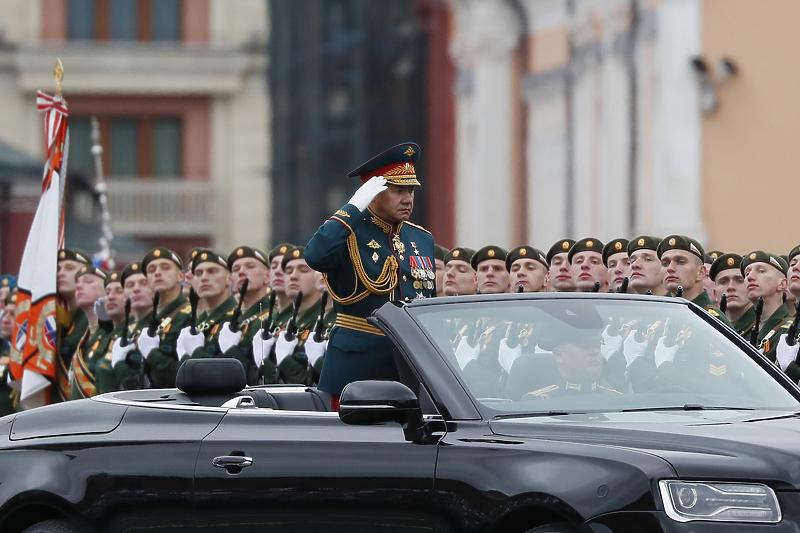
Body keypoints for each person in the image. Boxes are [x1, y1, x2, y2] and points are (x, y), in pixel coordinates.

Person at [305, 142, 435, 404]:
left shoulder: (420, 238)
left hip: (412, 365)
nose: (408, 198)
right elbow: (315, 255)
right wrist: (351, 210)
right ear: (372, 194)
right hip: (357, 368)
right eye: (398, 190)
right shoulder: (348, 233)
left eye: (410, 190)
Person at [255, 247, 329, 385]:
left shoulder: (325, 322)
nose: (293, 276)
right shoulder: (287, 324)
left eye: (303, 270)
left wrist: (284, 361)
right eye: (288, 271)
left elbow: (313, 384)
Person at [120, 247, 190, 389]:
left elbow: (188, 374)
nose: (158, 273)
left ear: (181, 276)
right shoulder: (153, 320)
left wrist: (152, 354)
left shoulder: (188, 316)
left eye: (165, 268)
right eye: (152, 270)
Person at [217, 246, 273, 385]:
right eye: (236, 269)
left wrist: (231, 350)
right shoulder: (228, 320)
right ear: (230, 279)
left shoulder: (272, 317)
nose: (242, 272)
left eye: (250, 266)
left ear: (267, 276)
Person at [177, 250, 237, 363]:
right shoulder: (199, 321)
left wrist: (195, 352)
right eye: (198, 273)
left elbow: (228, 372)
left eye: (212, 271)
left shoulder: (237, 318)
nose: (204, 278)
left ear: (229, 278)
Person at [657, 235, 730, 327]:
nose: (670, 268)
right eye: (665, 263)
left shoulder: (710, 320)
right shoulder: (663, 320)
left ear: (701, 272)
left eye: (680, 262)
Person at [741, 251, 793, 365]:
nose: (750, 277)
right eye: (747, 274)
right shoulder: (744, 333)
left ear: (782, 284)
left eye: (761, 271)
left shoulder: (792, 329)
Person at [67, 265, 111, 400]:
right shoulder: (85, 337)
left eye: (88, 281)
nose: (79, 287)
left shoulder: (110, 334)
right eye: (77, 283)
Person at [709, 253, 755, 335]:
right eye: (723, 282)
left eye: (739, 281)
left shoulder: (761, 325)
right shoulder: (711, 328)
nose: (731, 287)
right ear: (715, 294)